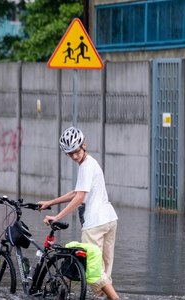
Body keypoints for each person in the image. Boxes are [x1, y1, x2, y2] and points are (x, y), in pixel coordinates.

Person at [38, 127, 119, 298]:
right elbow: (76, 192)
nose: (74, 156)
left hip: (95, 223)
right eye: (70, 154)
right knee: (104, 269)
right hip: (109, 220)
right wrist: (50, 203)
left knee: (93, 270)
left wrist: (57, 216)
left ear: (84, 144)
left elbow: (80, 198)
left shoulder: (86, 167)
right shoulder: (91, 163)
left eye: (76, 151)